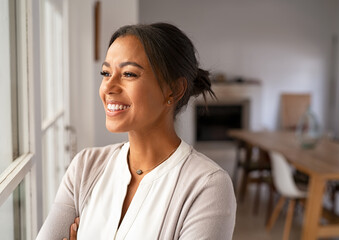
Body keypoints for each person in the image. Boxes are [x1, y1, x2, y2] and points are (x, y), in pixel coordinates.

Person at [36, 22, 236, 240]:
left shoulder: (208, 186)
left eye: (129, 74)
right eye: (105, 73)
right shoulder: (85, 167)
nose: (109, 87)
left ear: (174, 89)